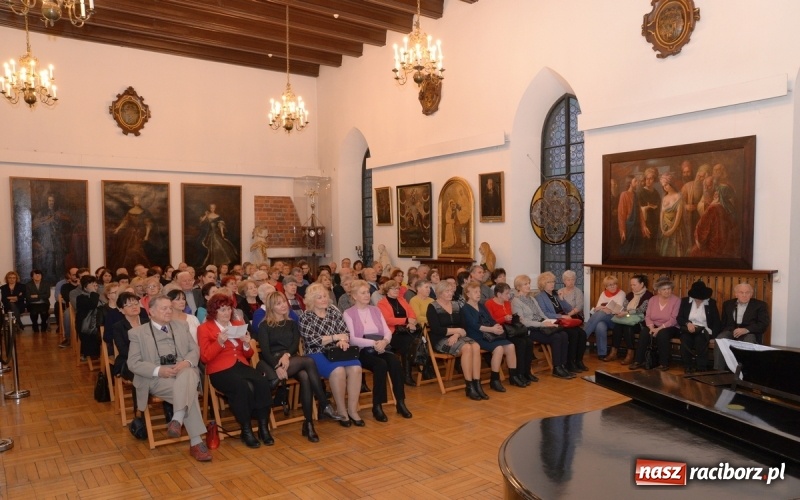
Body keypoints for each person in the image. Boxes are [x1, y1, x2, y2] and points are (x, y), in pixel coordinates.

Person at [257, 292, 345, 442]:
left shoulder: (292, 323)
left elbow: (293, 346)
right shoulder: (264, 325)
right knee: (308, 362)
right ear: (271, 307)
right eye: (278, 303)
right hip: (273, 362)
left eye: (284, 301)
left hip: (291, 359)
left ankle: (309, 424)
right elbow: (264, 351)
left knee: (305, 376)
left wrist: (287, 356)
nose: (283, 305)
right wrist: (277, 366)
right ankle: (324, 404)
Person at [197, 293, 272, 448]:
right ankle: (246, 430)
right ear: (214, 312)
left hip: (240, 365)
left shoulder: (237, 323)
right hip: (219, 369)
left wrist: (246, 344)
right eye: (222, 310)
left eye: (229, 309)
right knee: (241, 386)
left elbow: (248, 355)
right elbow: (205, 358)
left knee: (262, 382)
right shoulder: (204, 328)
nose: (227, 313)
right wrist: (218, 342)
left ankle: (264, 428)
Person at [343, 280, 413, 422]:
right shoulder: (349, 313)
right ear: (354, 296)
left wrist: (384, 341)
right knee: (380, 364)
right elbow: (353, 339)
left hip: (381, 346)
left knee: (394, 361)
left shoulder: (375, 310)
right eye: (363, 293)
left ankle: (400, 402)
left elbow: (387, 331)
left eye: (368, 292)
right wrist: (374, 343)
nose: (367, 295)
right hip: (362, 350)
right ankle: (377, 406)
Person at [300, 283, 364, 426]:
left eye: (324, 296)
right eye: (319, 297)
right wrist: (336, 337)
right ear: (311, 300)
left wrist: (342, 340)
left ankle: (352, 410)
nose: (323, 299)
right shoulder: (306, 317)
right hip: (315, 353)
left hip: (336, 351)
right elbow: (312, 341)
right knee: (338, 371)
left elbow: (345, 333)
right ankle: (341, 411)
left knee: (356, 368)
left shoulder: (334, 312)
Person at [426, 280, 489, 400]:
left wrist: (456, 334)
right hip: (441, 340)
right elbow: (436, 329)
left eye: (451, 291)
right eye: (447, 291)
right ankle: (469, 386)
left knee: (475, 346)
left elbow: (464, 326)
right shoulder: (432, 306)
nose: (450, 293)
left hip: (458, 337)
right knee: (467, 348)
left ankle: (477, 383)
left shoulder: (456, 305)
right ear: (439, 292)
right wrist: (456, 331)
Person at [462, 282, 522, 392]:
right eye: (475, 292)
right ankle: (494, 379)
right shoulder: (465, 308)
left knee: (510, 346)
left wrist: (497, 327)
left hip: (489, 334)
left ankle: (513, 376)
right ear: (468, 294)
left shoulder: (481, 305)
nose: (478, 294)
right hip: (476, 337)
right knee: (498, 349)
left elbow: (491, 319)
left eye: (479, 291)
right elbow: (474, 326)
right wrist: (492, 329)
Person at [511, 275, 574, 379]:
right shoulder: (516, 301)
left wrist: (549, 322)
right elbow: (523, 322)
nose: (528, 286)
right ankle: (557, 368)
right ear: (518, 287)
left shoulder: (531, 298)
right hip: (530, 329)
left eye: (528, 283)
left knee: (563, 334)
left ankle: (563, 365)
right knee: (556, 337)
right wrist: (542, 324)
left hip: (541, 325)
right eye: (525, 284)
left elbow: (541, 314)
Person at [535, 272, 588, 372]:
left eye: (553, 282)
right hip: (555, 321)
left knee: (582, 333)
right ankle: (569, 362)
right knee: (573, 334)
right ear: (543, 284)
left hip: (564, 320)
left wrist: (562, 299)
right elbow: (544, 313)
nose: (552, 284)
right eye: (548, 282)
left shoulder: (556, 294)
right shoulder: (540, 297)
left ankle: (578, 361)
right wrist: (561, 316)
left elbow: (569, 308)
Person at [485, 283, 536, 384]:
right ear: (499, 294)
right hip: (500, 331)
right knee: (521, 343)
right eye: (507, 293)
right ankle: (519, 373)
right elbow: (490, 322)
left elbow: (509, 318)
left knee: (529, 342)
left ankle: (527, 372)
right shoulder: (489, 304)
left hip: (510, 329)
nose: (509, 296)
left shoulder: (507, 303)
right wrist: (503, 319)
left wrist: (515, 318)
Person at [713, 283, 770, 371]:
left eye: (747, 293)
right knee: (720, 339)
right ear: (736, 294)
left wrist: (746, 329)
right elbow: (724, 323)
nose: (744, 295)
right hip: (732, 331)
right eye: (741, 292)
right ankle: (718, 371)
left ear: (751, 294)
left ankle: (745, 371)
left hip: (749, 332)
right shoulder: (728, 304)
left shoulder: (760, 305)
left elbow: (763, 324)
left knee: (748, 341)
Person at [629, 276, 681, 371]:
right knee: (645, 332)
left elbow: (674, 319)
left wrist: (659, 329)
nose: (667, 291)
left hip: (671, 326)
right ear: (658, 291)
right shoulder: (653, 299)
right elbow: (648, 316)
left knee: (662, 334)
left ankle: (663, 363)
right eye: (664, 289)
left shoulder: (676, 300)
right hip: (654, 325)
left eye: (669, 288)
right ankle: (638, 360)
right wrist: (651, 327)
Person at [375, 279, 419, 387]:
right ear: (387, 290)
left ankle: (423, 368)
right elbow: (387, 319)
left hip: (406, 330)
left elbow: (412, 313)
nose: (396, 290)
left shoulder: (402, 300)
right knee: (409, 342)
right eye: (393, 288)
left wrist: (411, 321)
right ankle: (407, 375)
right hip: (391, 333)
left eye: (398, 288)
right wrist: (406, 320)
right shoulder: (382, 303)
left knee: (420, 340)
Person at [676, 280, 721, 374]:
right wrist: (688, 323)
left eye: (701, 297)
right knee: (685, 339)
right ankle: (687, 366)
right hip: (688, 329)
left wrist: (714, 337)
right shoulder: (685, 301)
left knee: (700, 340)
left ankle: (701, 367)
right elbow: (679, 318)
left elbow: (716, 322)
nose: (699, 300)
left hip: (704, 330)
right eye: (697, 297)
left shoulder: (711, 303)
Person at [610, 275, 653, 365]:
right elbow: (624, 307)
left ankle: (630, 353)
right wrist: (620, 312)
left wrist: (626, 313)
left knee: (628, 327)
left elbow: (641, 310)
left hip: (640, 322)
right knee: (617, 326)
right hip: (627, 318)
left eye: (634, 285)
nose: (632, 287)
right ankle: (614, 351)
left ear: (642, 284)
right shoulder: (630, 295)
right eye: (631, 285)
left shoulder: (649, 296)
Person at [583, 276, 626, 361]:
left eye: (614, 284)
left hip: (616, 319)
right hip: (604, 318)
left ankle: (583, 336)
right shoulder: (603, 293)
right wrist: (605, 309)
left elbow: (617, 310)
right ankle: (602, 353)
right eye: (610, 285)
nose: (613, 286)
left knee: (601, 313)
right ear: (606, 287)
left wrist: (605, 309)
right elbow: (598, 308)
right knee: (600, 325)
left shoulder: (621, 293)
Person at [31, 193, 71, 283]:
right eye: (49, 201)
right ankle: (49, 279)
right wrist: (46, 220)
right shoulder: (41, 213)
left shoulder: (59, 212)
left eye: (52, 201)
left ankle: (59, 279)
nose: (51, 203)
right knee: (48, 260)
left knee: (59, 260)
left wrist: (59, 218)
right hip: (47, 240)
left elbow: (67, 222)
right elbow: (34, 225)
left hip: (57, 240)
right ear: (46, 202)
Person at [111, 291, 149, 379]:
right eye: (129, 305)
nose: (134, 307)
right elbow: (123, 350)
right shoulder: (118, 327)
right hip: (129, 360)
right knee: (144, 373)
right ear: (121, 310)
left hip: (151, 359)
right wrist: (143, 357)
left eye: (136, 303)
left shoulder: (148, 322)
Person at [111, 195, 153, 272]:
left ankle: (142, 268)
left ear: (140, 201)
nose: (136, 202)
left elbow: (148, 224)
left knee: (137, 250)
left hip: (140, 233)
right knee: (127, 250)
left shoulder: (144, 212)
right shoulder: (130, 211)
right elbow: (125, 221)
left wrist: (146, 235)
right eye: (135, 200)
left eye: (137, 200)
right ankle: (129, 269)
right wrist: (118, 229)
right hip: (130, 233)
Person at [199, 203, 239, 269]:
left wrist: (222, 233)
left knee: (219, 246)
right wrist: (206, 215)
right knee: (210, 248)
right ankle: (211, 265)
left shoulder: (218, 216)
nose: (212, 209)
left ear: (215, 208)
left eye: (213, 208)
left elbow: (221, 226)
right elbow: (201, 222)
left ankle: (219, 264)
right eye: (211, 208)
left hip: (216, 233)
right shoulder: (207, 215)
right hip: (209, 233)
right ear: (210, 208)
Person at [658, 172, 689, 257]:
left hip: (676, 228)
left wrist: (672, 230)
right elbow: (662, 214)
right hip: (665, 227)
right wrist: (662, 228)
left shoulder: (679, 197)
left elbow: (679, 215)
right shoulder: (664, 198)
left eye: (666, 185)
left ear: (671, 184)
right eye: (663, 186)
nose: (665, 188)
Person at [75, 275, 101, 360]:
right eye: (92, 285)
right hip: (86, 326)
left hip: (98, 323)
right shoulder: (81, 298)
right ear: (85, 288)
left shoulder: (99, 296)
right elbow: (92, 305)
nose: (95, 287)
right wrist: (93, 292)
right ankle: (92, 353)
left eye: (96, 285)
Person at [618, 174, 644, 257]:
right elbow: (621, 215)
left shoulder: (636, 195)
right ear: (630, 183)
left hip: (636, 227)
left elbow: (639, 212)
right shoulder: (624, 194)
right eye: (635, 181)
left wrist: (644, 226)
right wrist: (622, 231)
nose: (637, 183)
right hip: (629, 228)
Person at [639, 167, 661, 255]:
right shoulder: (641, 192)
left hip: (654, 222)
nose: (648, 181)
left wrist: (656, 207)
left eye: (651, 178)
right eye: (647, 178)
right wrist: (646, 208)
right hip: (645, 222)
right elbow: (638, 209)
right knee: (646, 245)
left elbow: (659, 207)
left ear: (654, 180)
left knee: (653, 245)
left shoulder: (656, 193)